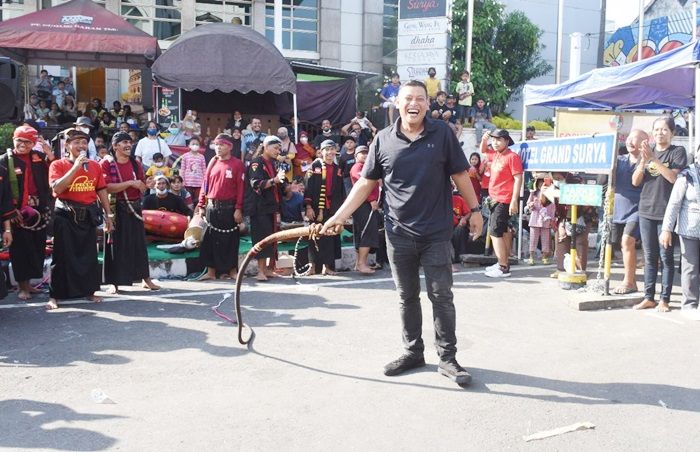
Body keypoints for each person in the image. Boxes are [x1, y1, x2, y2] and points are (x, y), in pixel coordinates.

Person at [319, 80, 483, 386]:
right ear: (398, 103)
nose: (414, 103)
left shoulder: (442, 135)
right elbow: (366, 183)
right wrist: (339, 216)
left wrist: (475, 211)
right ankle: (413, 351)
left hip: (436, 232)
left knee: (441, 296)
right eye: (408, 98)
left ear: (427, 104)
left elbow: (460, 174)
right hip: (397, 233)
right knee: (406, 296)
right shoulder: (383, 139)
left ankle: (447, 358)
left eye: (420, 98)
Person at [47, 128, 113, 310]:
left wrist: (108, 215)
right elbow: (57, 189)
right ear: (67, 145)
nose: (81, 146)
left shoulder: (94, 165)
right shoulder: (57, 165)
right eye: (76, 142)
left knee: (88, 256)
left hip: (88, 216)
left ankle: (89, 291)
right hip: (65, 216)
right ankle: (55, 295)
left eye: (84, 142)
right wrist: (75, 167)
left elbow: (101, 190)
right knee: (61, 257)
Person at [632, 116, 687, 312]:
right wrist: (643, 161)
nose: (659, 133)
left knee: (666, 257)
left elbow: (673, 178)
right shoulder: (647, 152)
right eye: (656, 130)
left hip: (666, 213)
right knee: (649, 256)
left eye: (664, 130)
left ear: (671, 132)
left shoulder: (677, 152)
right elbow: (635, 181)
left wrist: (654, 160)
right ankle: (648, 297)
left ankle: (664, 299)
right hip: (646, 210)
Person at [101, 132, 160, 294]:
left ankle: (145, 279)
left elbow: (141, 185)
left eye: (130, 142)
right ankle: (114, 283)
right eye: (124, 142)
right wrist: (130, 183)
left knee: (139, 245)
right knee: (115, 245)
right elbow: (105, 187)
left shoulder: (135, 163)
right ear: (115, 146)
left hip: (134, 208)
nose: (128, 145)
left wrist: (147, 184)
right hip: (115, 209)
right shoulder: (106, 164)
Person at [1, 126, 54, 301]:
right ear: (13, 140)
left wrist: (49, 154)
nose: (23, 144)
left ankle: (29, 284)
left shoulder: (38, 158)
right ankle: (21, 287)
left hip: (38, 210)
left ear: (33, 143)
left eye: (27, 141)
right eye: (19, 140)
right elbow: (3, 191)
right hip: (17, 212)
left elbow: (54, 173)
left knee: (37, 247)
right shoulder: (4, 160)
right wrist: (10, 212)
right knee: (20, 250)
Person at [194, 134, 245, 281]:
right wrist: (201, 204)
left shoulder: (237, 164)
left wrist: (239, 208)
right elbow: (205, 184)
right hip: (211, 207)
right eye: (216, 145)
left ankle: (232, 271)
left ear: (229, 146)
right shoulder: (212, 162)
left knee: (231, 240)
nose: (218, 148)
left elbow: (241, 188)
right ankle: (211, 272)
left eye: (221, 145)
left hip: (229, 207)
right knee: (210, 240)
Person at [660, 157, 700, 320]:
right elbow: (674, 204)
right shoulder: (687, 175)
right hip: (689, 228)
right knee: (690, 267)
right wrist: (666, 229)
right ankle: (689, 304)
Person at [611, 129, 646, 294]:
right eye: (630, 138)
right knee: (622, 246)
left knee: (627, 241)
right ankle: (632, 281)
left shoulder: (649, 162)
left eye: (637, 139)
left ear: (645, 143)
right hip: (618, 209)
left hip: (638, 209)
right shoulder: (618, 160)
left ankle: (628, 282)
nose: (631, 141)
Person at [484, 129, 523, 278]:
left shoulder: (512, 157)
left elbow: (518, 178)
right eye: (493, 140)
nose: (495, 142)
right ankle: (503, 262)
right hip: (494, 198)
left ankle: (503, 267)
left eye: (499, 140)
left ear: (507, 141)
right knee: (504, 231)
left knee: (495, 232)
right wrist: (484, 139)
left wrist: (514, 200)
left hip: (504, 199)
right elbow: (483, 150)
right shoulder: (497, 155)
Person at [247, 135, 285, 281]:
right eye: (275, 148)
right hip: (259, 207)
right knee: (262, 238)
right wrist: (274, 180)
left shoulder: (273, 163)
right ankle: (260, 271)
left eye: (279, 148)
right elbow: (256, 184)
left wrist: (287, 186)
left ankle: (270, 269)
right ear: (266, 147)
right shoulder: (256, 163)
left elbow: (278, 184)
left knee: (272, 238)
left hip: (272, 207)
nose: (278, 151)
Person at [304, 140, 345, 276]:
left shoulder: (337, 168)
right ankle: (312, 265)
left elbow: (341, 190)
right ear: (321, 152)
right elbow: (308, 188)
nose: (330, 152)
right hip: (317, 207)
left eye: (332, 149)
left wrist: (342, 211)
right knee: (313, 235)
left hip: (332, 208)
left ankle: (328, 267)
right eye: (327, 150)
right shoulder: (314, 166)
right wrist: (309, 207)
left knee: (329, 237)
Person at [350, 145, 379, 274]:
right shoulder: (358, 168)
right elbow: (363, 185)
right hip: (364, 204)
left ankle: (359, 263)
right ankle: (362, 263)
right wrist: (372, 199)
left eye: (367, 153)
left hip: (363, 203)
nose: (365, 155)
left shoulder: (366, 167)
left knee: (362, 233)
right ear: (355, 156)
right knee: (367, 232)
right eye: (362, 153)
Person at [526, 174, 555, 265]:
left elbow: (552, 207)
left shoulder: (550, 195)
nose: (541, 184)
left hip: (546, 219)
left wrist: (552, 218)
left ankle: (544, 256)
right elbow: (528, 203)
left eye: (543, 183)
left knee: (545, 239)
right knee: (533, 238)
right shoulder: (533, 193)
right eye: (540, 182)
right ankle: (531, 256)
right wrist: (531, 205)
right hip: (535, 218)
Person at [180, 136, 206, 201]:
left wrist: (205, 181)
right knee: (188, 200)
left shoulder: (201, 157)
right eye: (193, 144)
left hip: (199, 183)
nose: (195, 145)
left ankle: (197, 211)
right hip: (188, 183)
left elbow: (204, 170)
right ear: (189, 145)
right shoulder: (185, 156)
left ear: (199, 146)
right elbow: (182, 169)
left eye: (197, 144)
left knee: (198, 200)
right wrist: (182, 181)